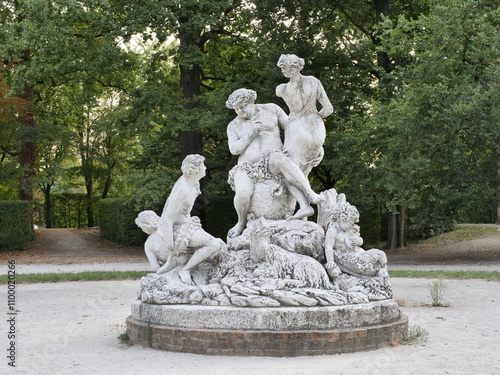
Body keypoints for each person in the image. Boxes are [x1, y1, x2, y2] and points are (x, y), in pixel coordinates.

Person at [226, 88, 322, 238]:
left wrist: (307, 146)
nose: (240, 111)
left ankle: (308, 197)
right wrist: (251, 132)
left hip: (272, 159)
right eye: (236, 109)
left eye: (242, 107)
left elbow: (292, 128)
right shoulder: (233, 125)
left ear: (251, 102)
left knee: (280, 159)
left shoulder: (272, 110)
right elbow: (234, 149)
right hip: (247, 167)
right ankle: (241, 222)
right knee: (243, 192)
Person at [156, 154, 226, 285]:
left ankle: (191, 267)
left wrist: (189, 220)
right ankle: (185, 270)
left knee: (221, 246)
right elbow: (167, 218)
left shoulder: (194, 184)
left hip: (185, 225)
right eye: (203, 165)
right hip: (175, 230)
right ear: (195, 170)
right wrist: (171, 246)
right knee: (214, 244)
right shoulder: (182, 189)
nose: (205, 167)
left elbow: (183, 212)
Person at [276, 54, 334, 177]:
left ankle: (297, 189)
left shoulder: (282, 89)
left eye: (283, 68)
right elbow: (328, 109)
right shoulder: (314, 81)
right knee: (308, 162)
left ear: (292, 69)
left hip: (296, 125)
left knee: (294, 165)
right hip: (316, 126)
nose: (282, 71)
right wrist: (317, 116)